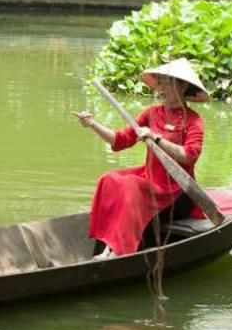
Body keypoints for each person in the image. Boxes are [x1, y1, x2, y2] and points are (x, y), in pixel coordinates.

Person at [73, 59, 208, 255]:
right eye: (159, 82)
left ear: (183, 85)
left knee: (131, 186)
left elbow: (189, 156)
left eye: (166, 83)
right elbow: (121, 140)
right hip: (151, 179)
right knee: (109, 179)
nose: (161, 88)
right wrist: (93, 124)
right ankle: (104, 247)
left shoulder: (194, 120)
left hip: (176, 190)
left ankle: (121, 251)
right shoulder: (151, 113)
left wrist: (157, 139)